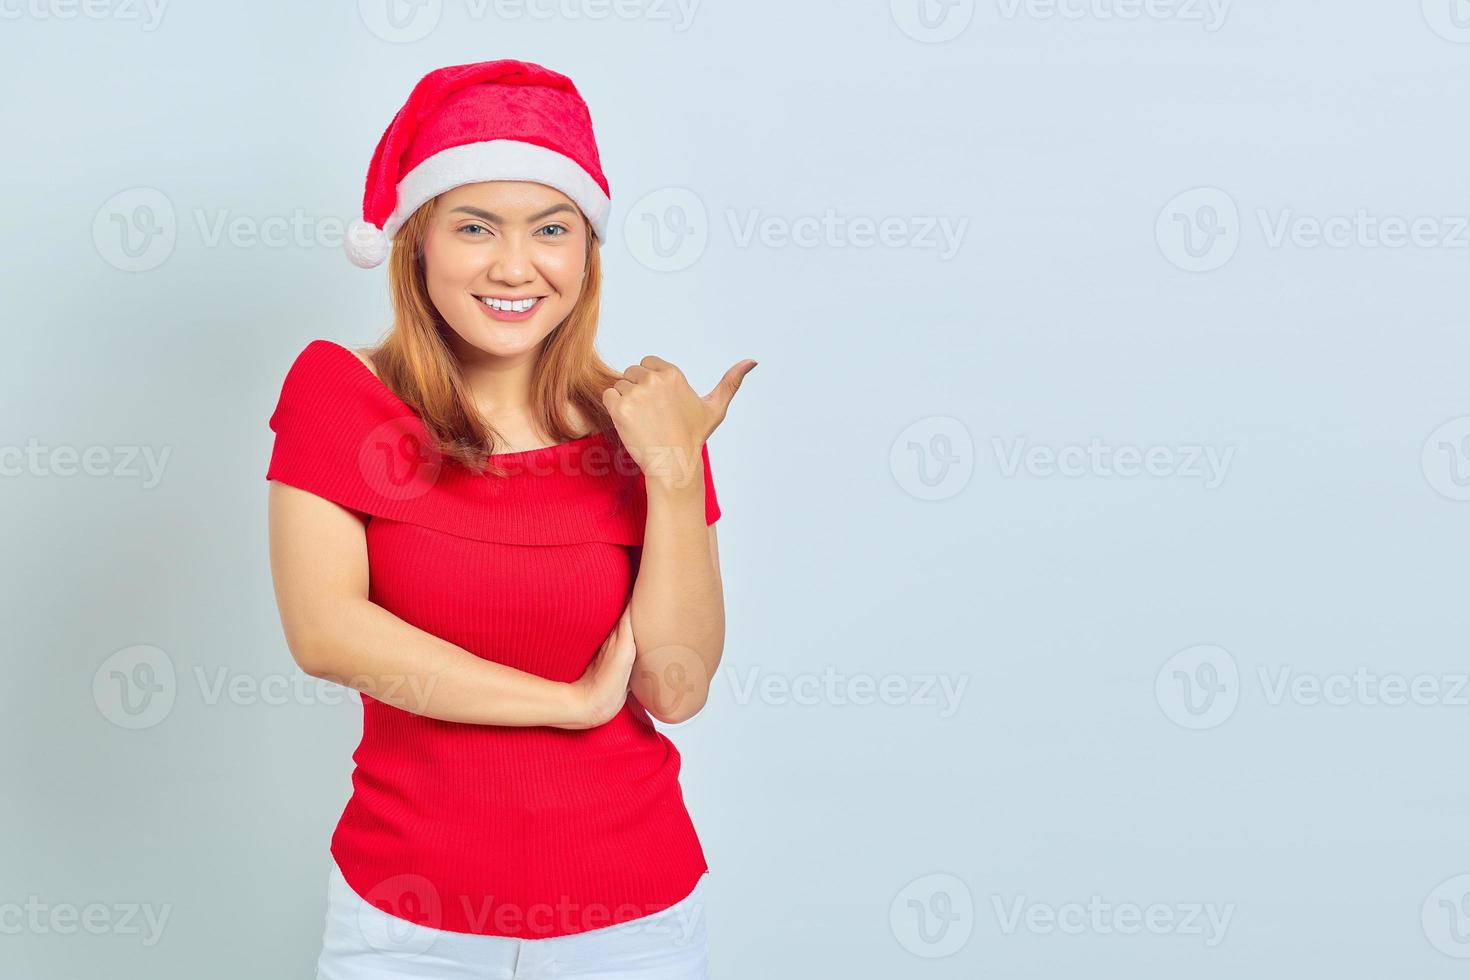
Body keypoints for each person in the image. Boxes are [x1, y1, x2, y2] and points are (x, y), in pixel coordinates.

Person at [264, 59, 755, 979]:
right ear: (417, 242)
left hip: (633, 922)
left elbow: (674, 690)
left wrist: (675, 472)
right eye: (475, 226)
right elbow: (328, 633)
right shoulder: (343, 395)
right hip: (403, 924)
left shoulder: (648, 424)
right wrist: (563, 704)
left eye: (551, 229)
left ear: (585, 253)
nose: (514, 265)